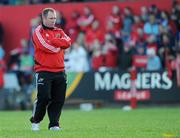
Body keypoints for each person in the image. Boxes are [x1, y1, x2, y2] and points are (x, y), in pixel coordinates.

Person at [30, 8, 71, 131]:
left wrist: (53, 41)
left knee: (59, 99)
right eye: (51, 18)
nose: (54, 21)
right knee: (43, 97)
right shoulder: (38, 31)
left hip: (60, 70)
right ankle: (36, 120)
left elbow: (68, 42)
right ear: (44, 18)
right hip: (44, 70)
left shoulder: (59, 31)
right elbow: (45, 46)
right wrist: (59, 46)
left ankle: (54, 124)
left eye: (55, 18)